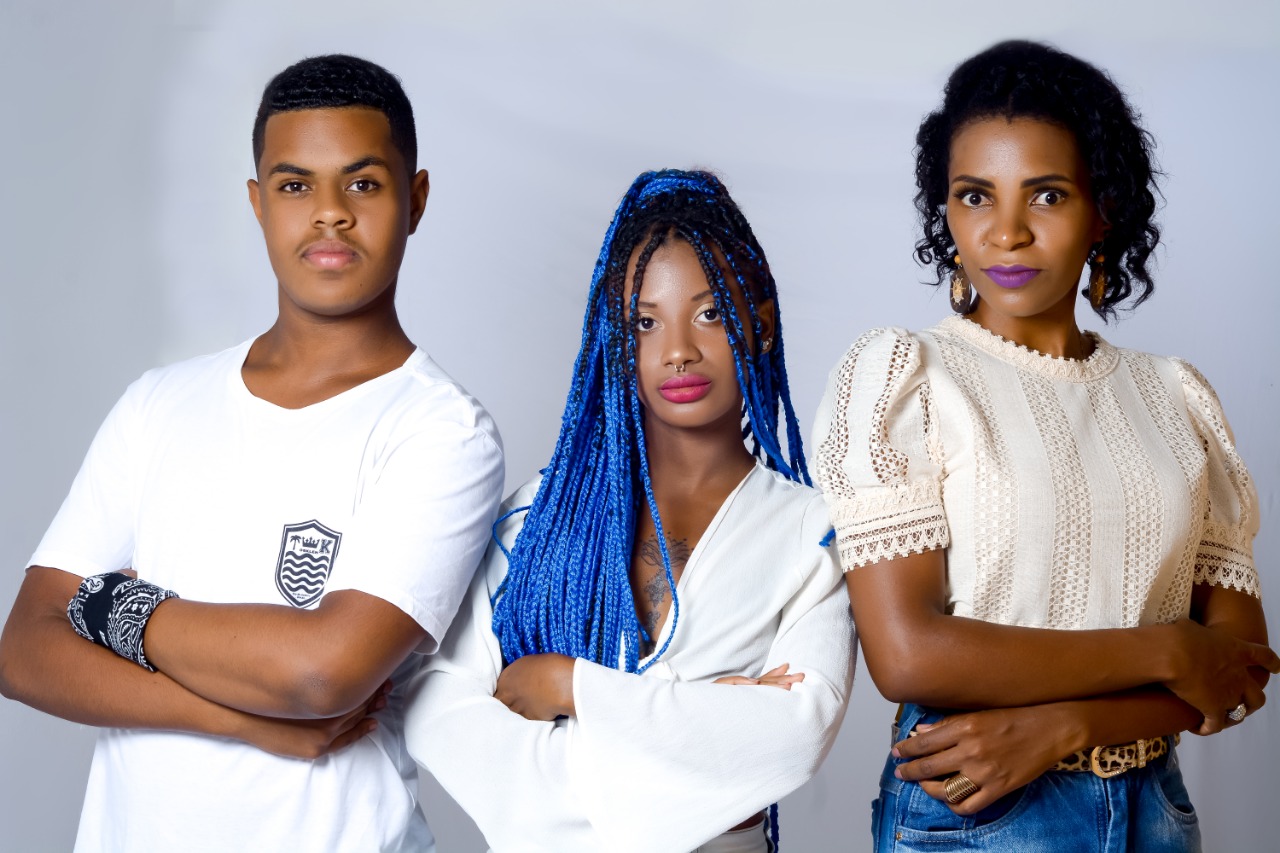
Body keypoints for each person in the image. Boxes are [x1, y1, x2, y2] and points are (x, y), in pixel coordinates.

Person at [0, 54, 503, 852]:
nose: (329, 213)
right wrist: (235, 715)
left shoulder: (443, 433)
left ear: (416, 200)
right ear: (258, 202)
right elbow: (24, 649)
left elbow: (320, 673)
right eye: (295, 184)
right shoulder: (158, 403)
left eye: (363, 184)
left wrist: (109, 610)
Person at [811, 40, 1277, 851]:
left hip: (1155, 810)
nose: (1007, 232)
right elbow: (907, 653)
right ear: (945, 212)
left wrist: (1069, 724)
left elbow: (1238, 667)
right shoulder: (906, 377)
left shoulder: (1176, 396)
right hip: (977, 812)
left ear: (1103, 210)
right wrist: (1168, 647)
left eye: (1048, 194)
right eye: (974, 196)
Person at [405, 169, 855, 852]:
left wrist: (569, 686)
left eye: (709, 313)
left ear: (758, 325)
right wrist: (703, 723)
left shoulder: (813, 531)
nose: (678, 349)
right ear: (618, 344)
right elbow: (439, 709)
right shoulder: (539, 519)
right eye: (645, 322)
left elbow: (793, 735)